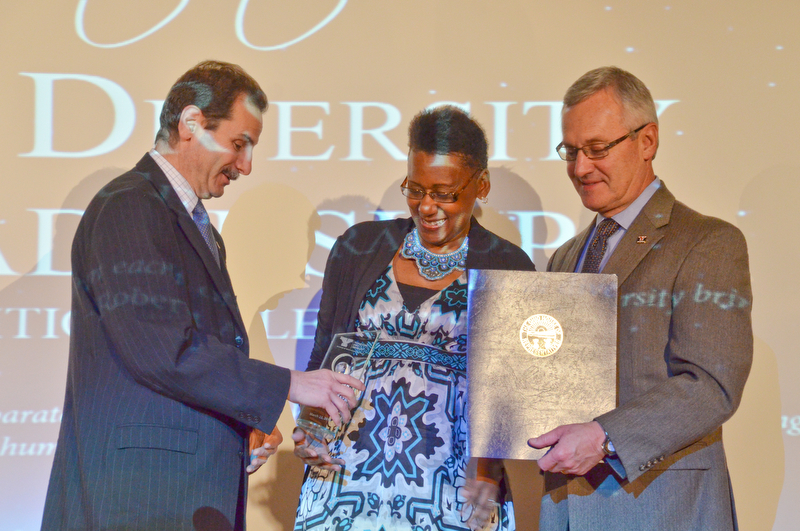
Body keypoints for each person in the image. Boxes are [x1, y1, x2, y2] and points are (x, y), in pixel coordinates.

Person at [40, 60, 363, 531]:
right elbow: (160, 350)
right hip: (138, 500)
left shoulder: (195, 225)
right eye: (239, 144)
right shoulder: (130, 205)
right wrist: (290, 383)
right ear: (191, 123)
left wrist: (235, 430)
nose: (246, 166)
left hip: (177, 495)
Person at [528, 66, 753, 530]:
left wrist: (605, 437)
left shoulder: (708, 242)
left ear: (647, 141)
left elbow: (713, 384)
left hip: (662, 509)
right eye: (570, 151)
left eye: (597, 149)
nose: (580, 167)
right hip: (565, 511)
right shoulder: (565, 256)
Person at [292, 106, 536, 530]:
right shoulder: (357, 246)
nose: (427, 206)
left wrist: (488, 471)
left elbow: (513, 393)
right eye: (415, 188)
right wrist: (310, 431)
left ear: (482, 185)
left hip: (454, 487)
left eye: (444, 193)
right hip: (345, 484)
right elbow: (326, 354)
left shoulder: (508, 264)